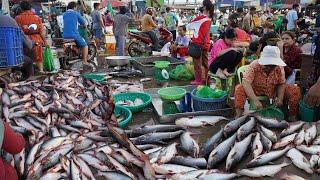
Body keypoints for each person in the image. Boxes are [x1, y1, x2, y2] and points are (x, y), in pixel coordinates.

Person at [234, 46, 301, 120]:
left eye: (272, 66)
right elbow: (246, 82)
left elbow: (281, 83)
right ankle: (239, 116)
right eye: (267, 65)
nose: (269, 68)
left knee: (295, 90)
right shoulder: (254, 65)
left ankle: (292, 116)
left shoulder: (279, 67)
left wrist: (280, 99)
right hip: (255, 90)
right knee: (239, 88)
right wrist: (255, 100)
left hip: (272, 90)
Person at [0, 9, 34, 79]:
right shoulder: (10, 20)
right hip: (9, 60)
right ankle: (29, 83)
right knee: (29, 61)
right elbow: (27, 43)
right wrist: (31, 43)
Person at [15, 1, 48, 73]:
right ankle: (41, 71)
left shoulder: (17, 18)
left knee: (25, 57)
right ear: (30, 8)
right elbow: (42, 32)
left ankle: (28, 72)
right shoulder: (37, 17)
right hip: (37, 40)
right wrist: (45, 42)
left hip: (24, 41)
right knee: (38, 57)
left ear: (21, 8)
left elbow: (16, 32)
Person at [187, 0, 214, 85]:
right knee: (206, 63)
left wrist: (190, 37)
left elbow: (188, 26)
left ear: (205, 7)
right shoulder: (210, 18)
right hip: (206, 44)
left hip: (198, 44)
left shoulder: (200, 18)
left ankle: (198, 80)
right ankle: (207, 79)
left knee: (197, 64)